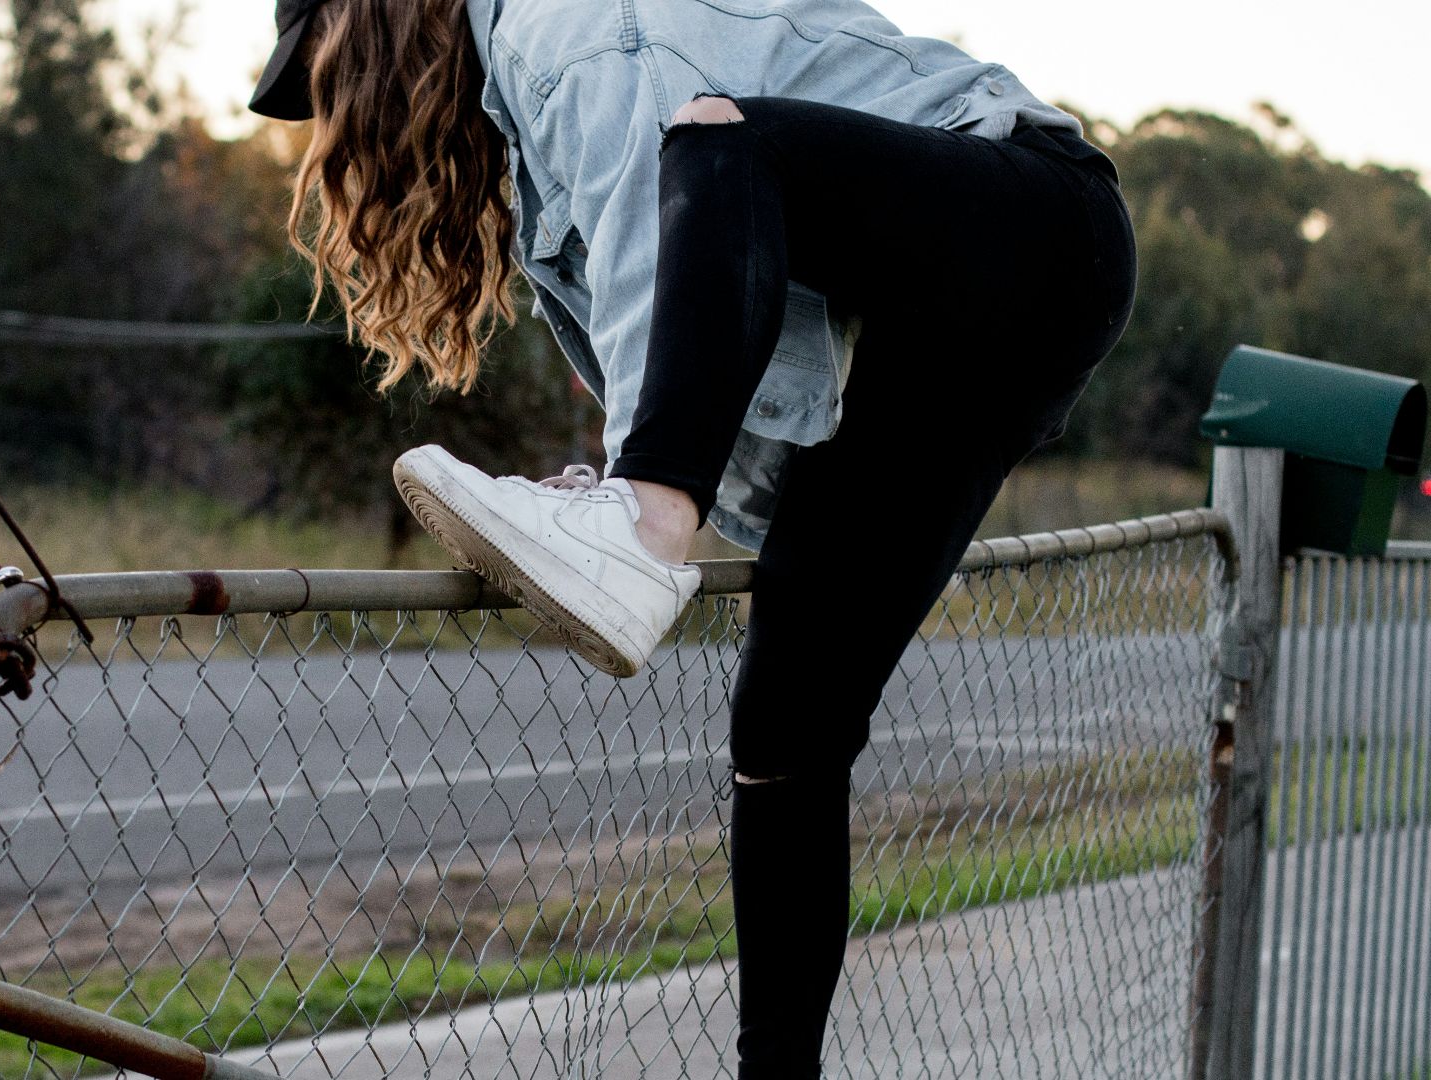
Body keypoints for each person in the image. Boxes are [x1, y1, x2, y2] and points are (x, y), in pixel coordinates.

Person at [249, 0, 1137, 1075]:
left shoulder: (566, 25)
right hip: (958, 324)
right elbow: (714, 306)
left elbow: (668, 221)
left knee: (722, 137)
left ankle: (639, 524)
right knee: (787, 723)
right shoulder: (532, 92)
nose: (341, 112)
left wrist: (647, 501)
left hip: (1033, 218)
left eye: (335, 69)